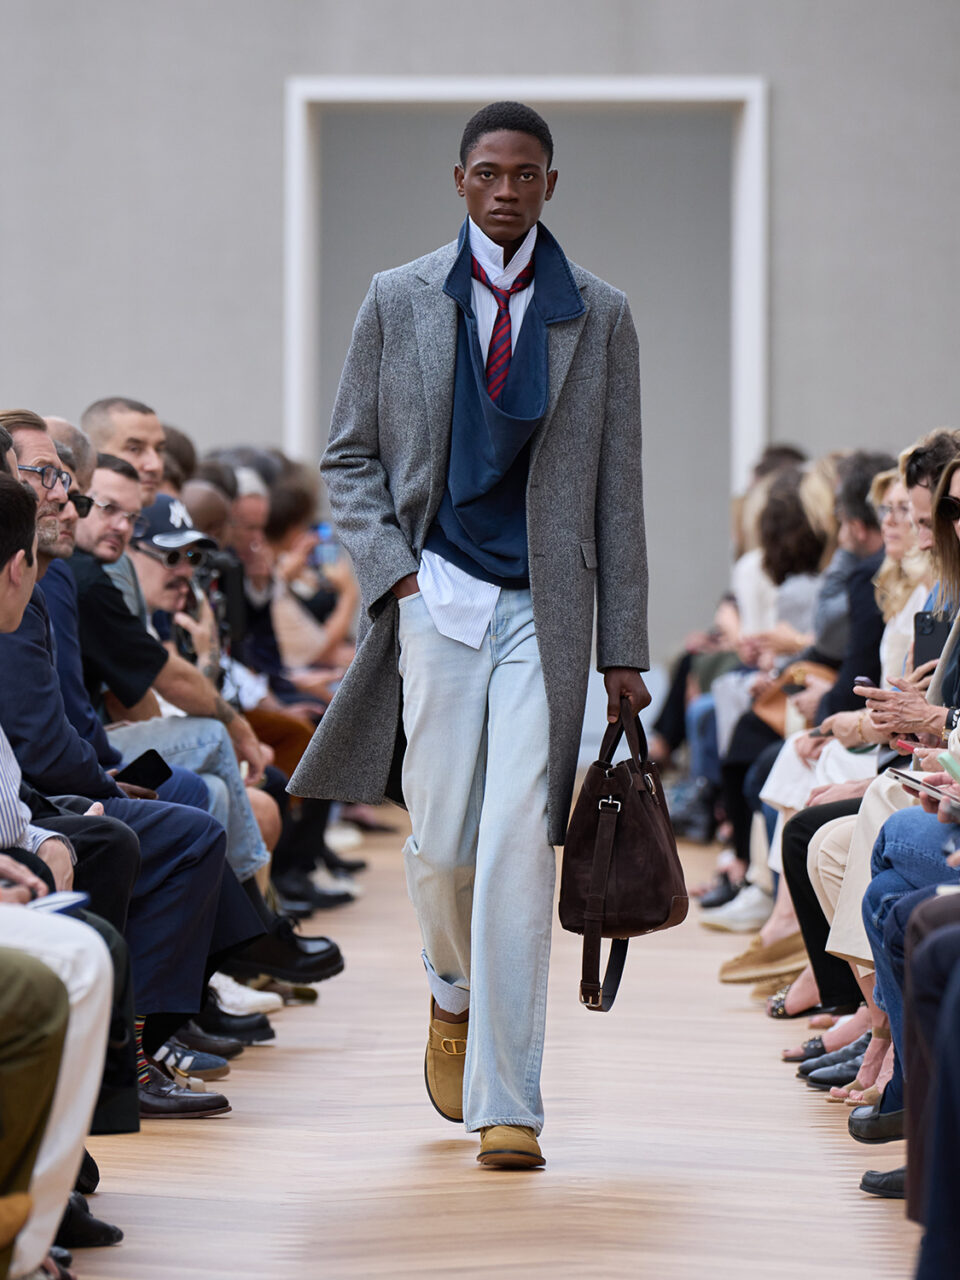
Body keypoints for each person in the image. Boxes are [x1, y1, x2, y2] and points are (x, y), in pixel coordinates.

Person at [291, 101, 650, 1169]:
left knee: (515, 842)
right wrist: (397, 580)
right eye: (488, 172)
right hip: (435, 597)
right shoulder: (398, 296)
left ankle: (510, 1102)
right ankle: (449, 989)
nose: (506, 190)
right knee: (442, 841)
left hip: (549, 607)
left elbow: (618, 489)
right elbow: (347, 456)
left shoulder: (599, 312)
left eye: (525, 173)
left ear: (550, 184)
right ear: (460, 181)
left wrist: (622, 646)